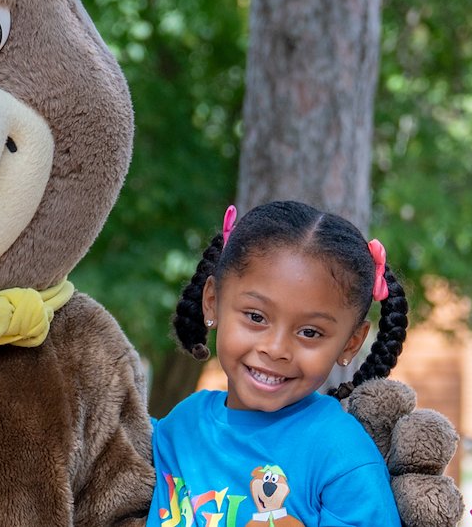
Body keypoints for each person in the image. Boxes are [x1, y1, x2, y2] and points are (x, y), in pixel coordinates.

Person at [150, 200, 407, 527]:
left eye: (310, 332)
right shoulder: (180, 428)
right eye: (256, 317)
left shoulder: (342, 456)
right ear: (212, 303)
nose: (276, 349)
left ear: (351, 343)